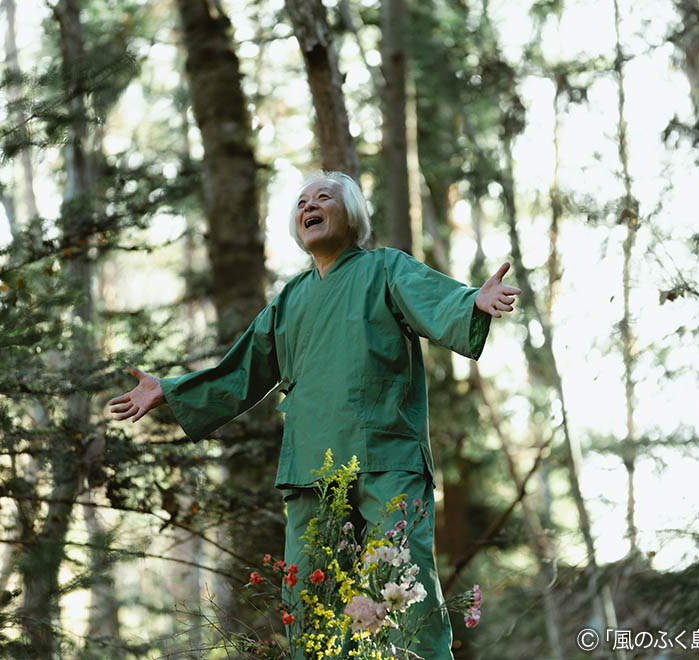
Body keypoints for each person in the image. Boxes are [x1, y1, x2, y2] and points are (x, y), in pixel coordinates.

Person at [108, 171, 520, 659]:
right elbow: (242, 369)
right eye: (302, 202)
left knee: (403, 585)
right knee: (310, 601)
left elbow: (439, 299)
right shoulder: (289, 300)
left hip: (386, 453)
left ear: (353, 216)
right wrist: (171, 391)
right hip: (310, 467)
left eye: (324, 197)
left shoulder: (385, 268)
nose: (310, 206)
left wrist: (473, 300)